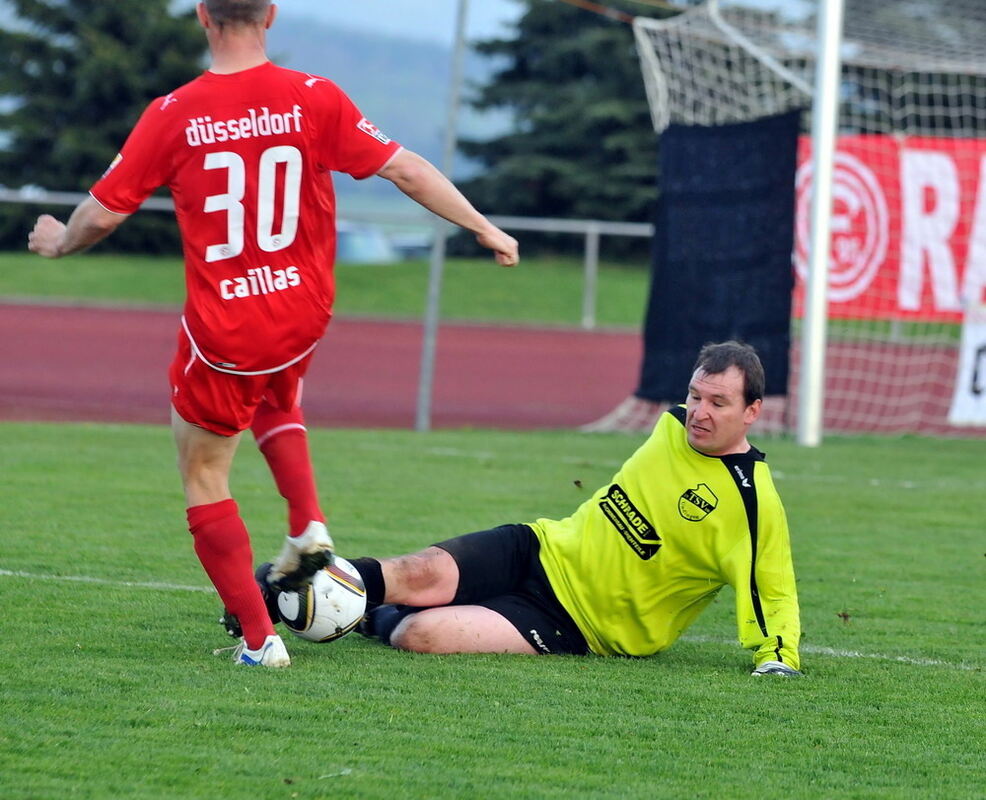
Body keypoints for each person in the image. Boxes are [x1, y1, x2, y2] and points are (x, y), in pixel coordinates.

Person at [27, 0, 519, 669]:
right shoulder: (313, 96)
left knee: (203, 472)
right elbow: (403, 166)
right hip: (302, 313)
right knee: (277, 397)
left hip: (228, 329)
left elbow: (104, 214)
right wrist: (484, 226)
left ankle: (261, 643)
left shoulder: (174, 113)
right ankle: (307, 529)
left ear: (203, 15)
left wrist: (58, 242)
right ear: (271, 15)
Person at [332, 341, 802, 675]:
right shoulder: (672, 427)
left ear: (752, 411)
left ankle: (359, 613)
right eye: (695, 396)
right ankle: (304, 579)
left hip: (578, 624)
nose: (699, 412)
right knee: (416, 572)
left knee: (420, 635)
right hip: (540, 547)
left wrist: (777, 657)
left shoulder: (751, 500)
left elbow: (772, 588)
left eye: (719, 403)